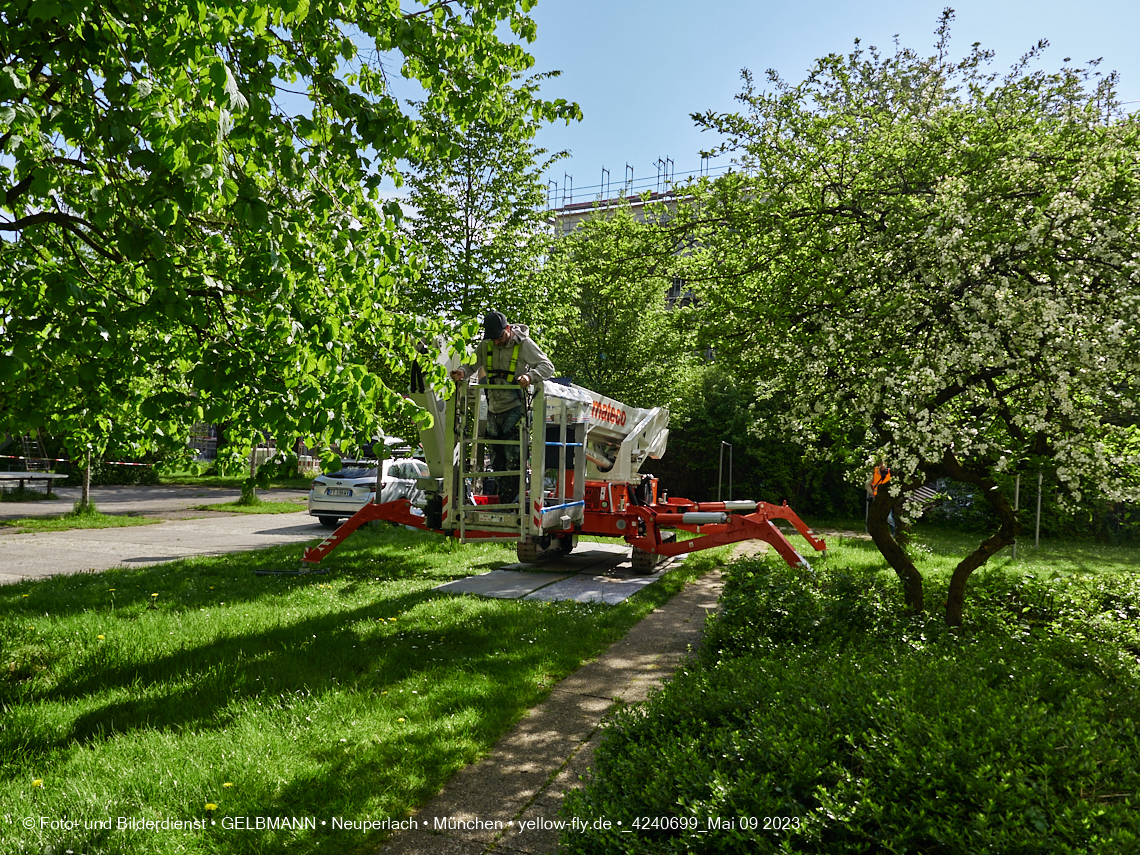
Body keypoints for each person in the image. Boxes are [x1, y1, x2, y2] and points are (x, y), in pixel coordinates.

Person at [449, 311, 554, 505]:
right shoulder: (486, 344)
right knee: (496, 459)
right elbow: (472, 364)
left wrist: (530, 377)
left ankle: (514, 502)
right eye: (493, 339)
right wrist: (462, 372)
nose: (496, 342)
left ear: (507, 330)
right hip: (493, 408)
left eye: (499, 337)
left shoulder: (524, 344)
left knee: (513, 458)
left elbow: (547, 366)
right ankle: (505, 501)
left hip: (515, 408)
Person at [865, 461, 895, 535]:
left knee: (889, 519)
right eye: (880, 464)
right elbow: (867, 485)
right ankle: (876, 535)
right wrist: (872, 494)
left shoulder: (890, 472)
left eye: (884, 463)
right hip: (876, 498)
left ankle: (894, 535)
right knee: (876, 517)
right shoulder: (874, 472)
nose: (882, 465)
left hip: (887, 498)